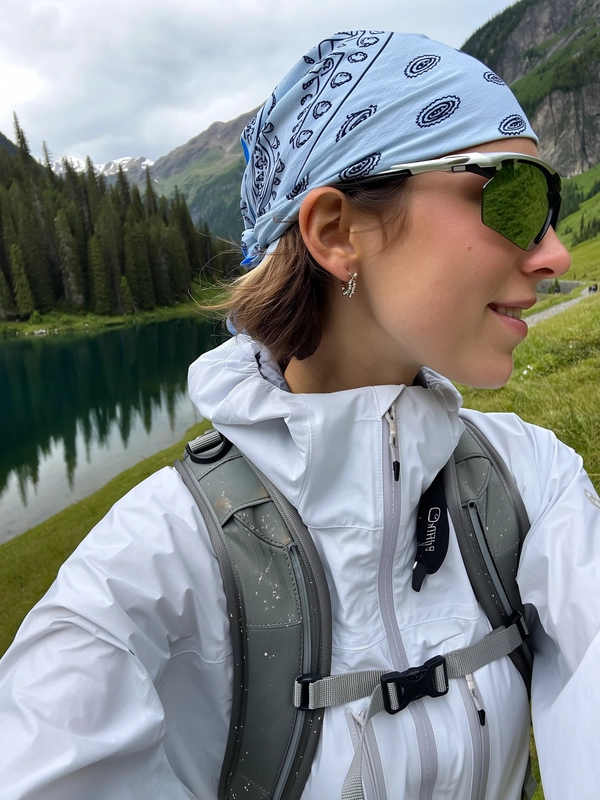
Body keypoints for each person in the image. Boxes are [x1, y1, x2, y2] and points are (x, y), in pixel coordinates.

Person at [0, 29, 597, 800]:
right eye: (515, 197)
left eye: (551, 210)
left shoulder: (534, 479)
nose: (556, 255)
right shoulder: (146, 572)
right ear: (336, 232)